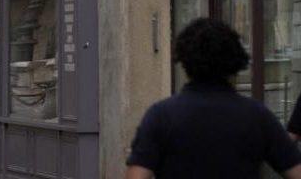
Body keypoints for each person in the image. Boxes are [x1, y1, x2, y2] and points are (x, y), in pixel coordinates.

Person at [126, 17, 301, 178]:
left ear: (185, 60)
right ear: (235, 60)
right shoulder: (257, 117)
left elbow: (137, 175)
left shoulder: (161, 116)